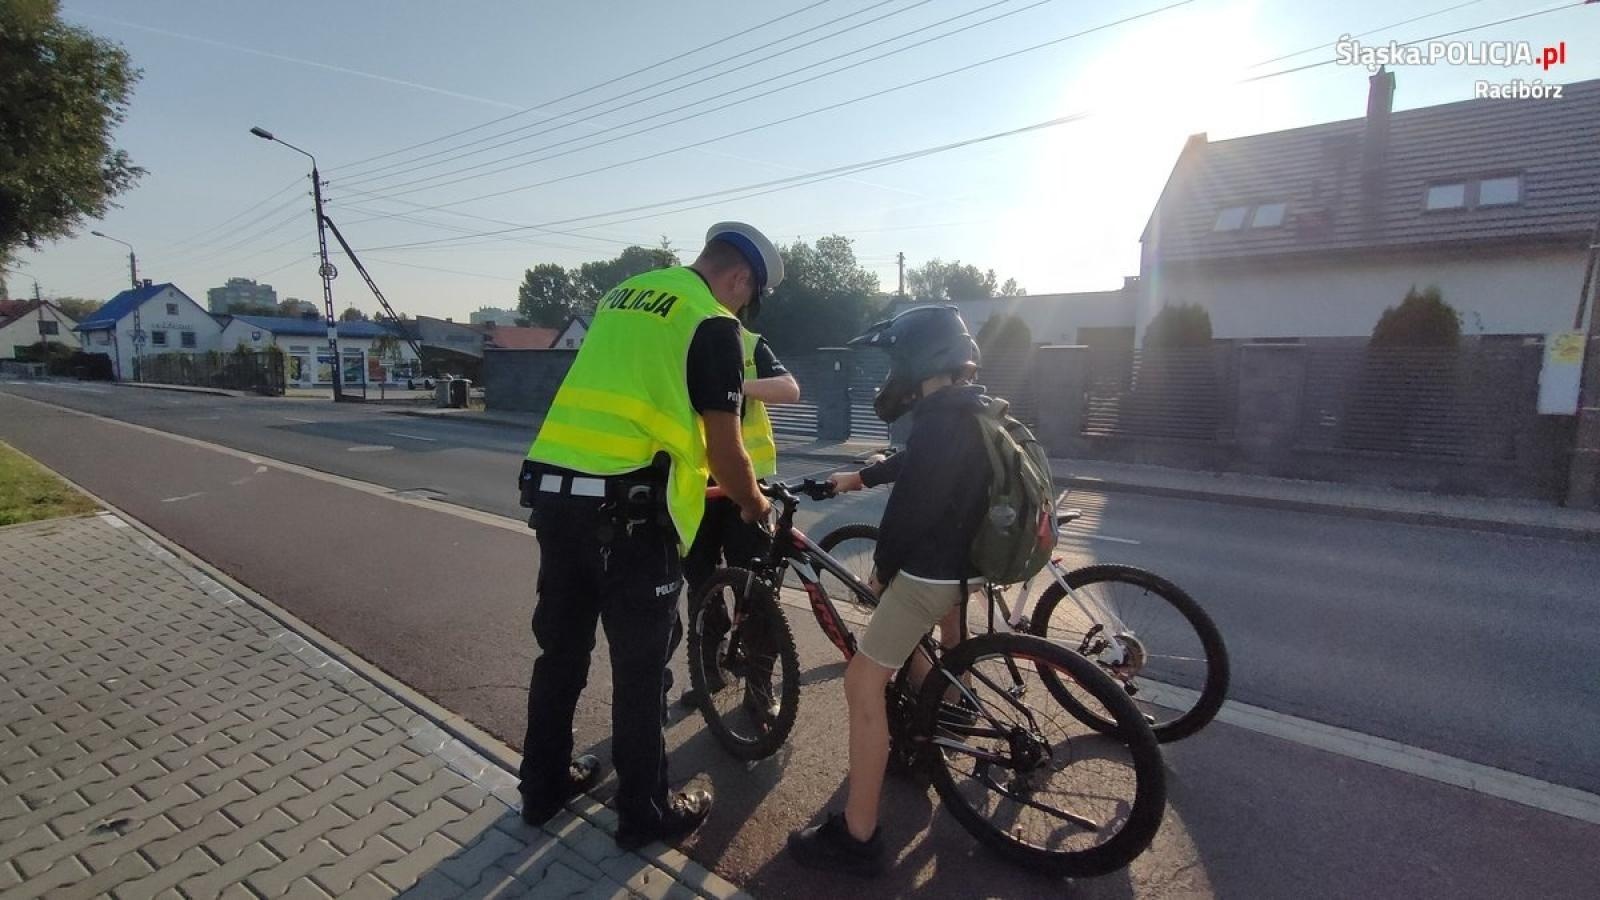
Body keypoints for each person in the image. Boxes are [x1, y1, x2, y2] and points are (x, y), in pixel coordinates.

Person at [517, 222, 782, 850]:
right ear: (740, 279)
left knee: (560, 654)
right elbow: (725, 448)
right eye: (747, 298)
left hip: (555, 498)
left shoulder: (624, 295)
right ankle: (645, 813)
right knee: (640, 673)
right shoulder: (710, 321)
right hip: (630, 519)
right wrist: (754, 505)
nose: (741, 310)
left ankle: (542, 788)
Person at [786, 306, 991, 877]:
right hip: (966, 563)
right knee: (930, 643)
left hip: (932, 571)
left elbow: (908, 513)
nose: (892, 372)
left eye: (897, 359)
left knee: (862, 682)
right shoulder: (970, 406)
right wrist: (859, 476)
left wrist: (882, 570)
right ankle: (936, 728)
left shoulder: (938, 420)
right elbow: (918, 464)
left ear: (919, 359)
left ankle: (857, 836)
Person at [673, 320, 799, 712]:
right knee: (701, 586)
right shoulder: (676, 335)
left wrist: (734, 384)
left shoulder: (748, 341)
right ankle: (709, 674)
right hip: (695, 483)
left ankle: (759, 691)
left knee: (757, 590)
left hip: (745, 483)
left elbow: (790, 389)